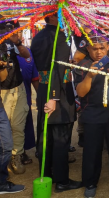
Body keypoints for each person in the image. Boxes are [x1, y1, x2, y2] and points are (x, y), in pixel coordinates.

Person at [31, 14, 80, 192]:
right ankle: (62, 181)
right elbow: (56, 68)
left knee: (47, 137)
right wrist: (54, 97)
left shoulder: (38, 36)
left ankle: (47, 174)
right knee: (60, 138)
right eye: (63, 15)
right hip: (57, 92)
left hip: (45, 89)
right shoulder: (59, 36)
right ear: (52, 17)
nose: (66, 18)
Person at [73, 35, 109, 198]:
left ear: (107, 47)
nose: (99, 52)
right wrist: (89, 76)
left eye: (102, 48)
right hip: (93, 112)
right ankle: (90, 182)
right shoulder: (83, 65)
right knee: (92, 151)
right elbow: (80, 92)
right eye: (95, 48)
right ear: (88, 49)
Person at [0, 18, 31, 175]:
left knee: (18, 126)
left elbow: (26, 54)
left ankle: (16, 156)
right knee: (1, 130)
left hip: (18, 88)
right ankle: (1, 161)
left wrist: (17, 42)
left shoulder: (10, 41)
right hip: (0, 93)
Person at [16, 43, 39, 166]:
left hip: (25, 99)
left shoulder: (28, 53)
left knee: (23, 127)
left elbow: (34, 78)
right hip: (2, 99)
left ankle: (21, 152)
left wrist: (41, 98)